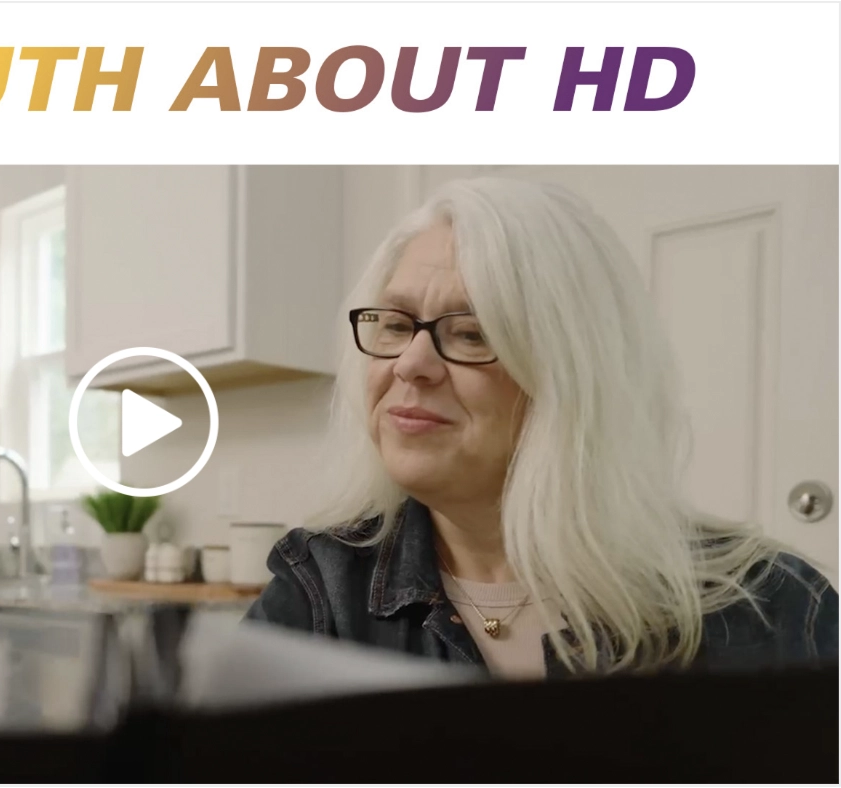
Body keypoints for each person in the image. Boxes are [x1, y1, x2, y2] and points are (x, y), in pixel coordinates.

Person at [246, 177, 837, 678]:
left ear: (573, 373)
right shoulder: (317, 590)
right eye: (397, 324)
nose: (410, 364)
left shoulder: (770, 609)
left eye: (472, 333)